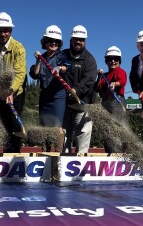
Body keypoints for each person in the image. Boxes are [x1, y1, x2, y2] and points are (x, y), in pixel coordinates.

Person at [0, 12, 27, 152]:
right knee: (3, 122)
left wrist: (11, 91)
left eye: (6, 30)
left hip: (15, 92)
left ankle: (15, 155)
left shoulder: (18, 47)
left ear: (10, 31)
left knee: (14, 124)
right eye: (0, 30)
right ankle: (6, 153)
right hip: (1, 91)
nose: (3, 34)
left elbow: (20, 72)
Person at [29, 25, 70, 152]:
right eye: (50, 40)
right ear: (45, 42)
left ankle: (58, 155)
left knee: (57, 128)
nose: (53, 43)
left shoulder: (62, 55)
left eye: (56, 41)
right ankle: (45, 153)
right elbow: (35, 74)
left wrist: (59, 68)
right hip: (45, 96)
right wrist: (37, 61)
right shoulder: (42, 57)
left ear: (59, 43)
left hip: (58, 97)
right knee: (44, 127)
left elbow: (67, 66)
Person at [62, 25, 97, 153]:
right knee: (64, 139)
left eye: (81, 39)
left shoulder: (90, 60)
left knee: (82, 138)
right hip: (65, 105)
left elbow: (89, 80)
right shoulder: (63, 55)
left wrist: (76, 90)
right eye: (75, 39)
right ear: (71, 40)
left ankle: (80, 168)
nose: (78, 41)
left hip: (83, 105)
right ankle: (62, 166)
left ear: (85, 41)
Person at [95, 46, 127, 153]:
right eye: (110, 59)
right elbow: (98, 88)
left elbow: (122, 81)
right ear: (106, 61)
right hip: (106, 103)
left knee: (115, 130)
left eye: (116, 59)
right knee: (107, 130)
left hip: (117, 102)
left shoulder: (120, 71)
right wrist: (99, 76)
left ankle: (118, 153)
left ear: (119, 61)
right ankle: (109, 153)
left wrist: (115, 83)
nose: (113, 61)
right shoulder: (105, 75)